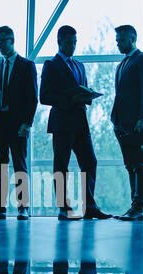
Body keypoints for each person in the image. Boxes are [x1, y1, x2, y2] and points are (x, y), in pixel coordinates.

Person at [39, 25, 111, 221]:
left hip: (80, 122)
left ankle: (89, 207)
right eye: (69, 42)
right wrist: (69, 99)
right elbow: (44, 96)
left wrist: (88, 95)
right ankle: (64, 207)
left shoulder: (79, 65)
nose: (72, 46)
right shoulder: (51, 65)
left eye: (74, 42)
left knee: (90, 161)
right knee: (61, 165)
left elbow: (83, 89)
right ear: (59, 42)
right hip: (62, 122)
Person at [0, 26, 38, 220]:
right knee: (0, 166)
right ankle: (0, 208)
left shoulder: (26, 65)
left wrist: (27, 123)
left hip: (18, 124)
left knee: (19, 165)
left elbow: (32, 97)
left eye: (1, 42)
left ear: (11, 40)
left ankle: (23, 207)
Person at [111, 25, 143, 221]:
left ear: (133, 38)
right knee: (130, 165)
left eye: (121, 39)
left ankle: (139, 209)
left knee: (139, 164)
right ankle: (133, 208)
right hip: (120, 122)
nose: (118, 43)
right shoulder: (122, 65)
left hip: (136, 122)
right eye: (117, 39)